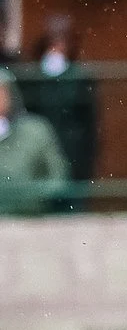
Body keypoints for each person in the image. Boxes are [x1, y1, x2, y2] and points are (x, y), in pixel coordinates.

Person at [19, 15, 99, 183]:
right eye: (53, 41)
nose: (57, 47)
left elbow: (89, 124)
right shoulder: (32, 78)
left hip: (72, 152)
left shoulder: (80, 79)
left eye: (62, 41)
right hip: (39, 153)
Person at [0, 69, 70, 216]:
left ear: (11, 95)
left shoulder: (36, 130)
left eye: (1, 92)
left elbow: (58, 178)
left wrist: (29, 196)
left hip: (31, 220)